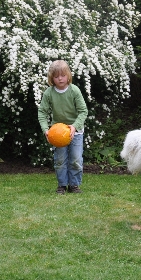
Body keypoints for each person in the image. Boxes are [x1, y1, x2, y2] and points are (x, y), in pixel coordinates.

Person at [38, 60, 88, 194]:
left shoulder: (74, 90)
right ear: (51, 78)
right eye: (56, 76)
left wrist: (75, 127)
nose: (60, 78)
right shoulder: (49, 93)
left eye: (63, 75)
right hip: (57, 133)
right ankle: (62, 185)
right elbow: (42, 112)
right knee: (60, 160)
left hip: (75, 132)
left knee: (76, 160)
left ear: (68, 76)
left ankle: (74, 185)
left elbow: (83, 111)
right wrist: (46, 130)